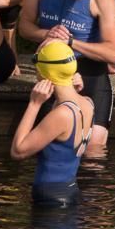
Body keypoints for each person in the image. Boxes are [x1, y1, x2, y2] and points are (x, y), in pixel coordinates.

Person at [18, 0, 115, 148]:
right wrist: (46, 33)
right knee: (52, 139)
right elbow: (24, 27)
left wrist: (72, 42)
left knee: (94, 144)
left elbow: (113, 53)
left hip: (88, 65)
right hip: (54, 66)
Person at [10, 41, 95, 209]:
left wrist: (34, 104)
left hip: (50, 197)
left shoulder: (62, 115)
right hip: (69, 192)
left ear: (43, 72)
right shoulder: (88, 103)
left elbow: (18, 151)